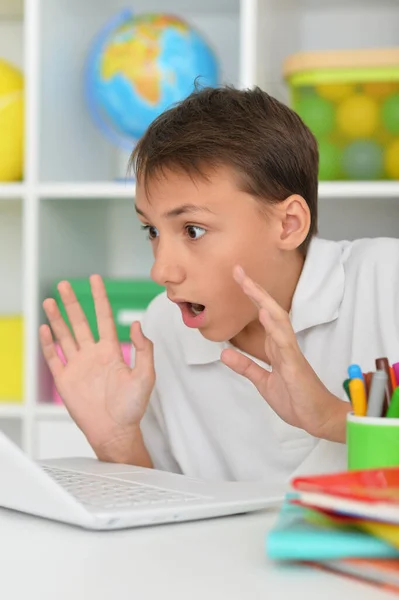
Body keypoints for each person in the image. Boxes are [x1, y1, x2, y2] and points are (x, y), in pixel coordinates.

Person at [39, 86, 399, 487]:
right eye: (152, 230)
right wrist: (118, 442)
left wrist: (331, 417)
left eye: (192, 230)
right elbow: (166, 516)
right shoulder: (164, 327)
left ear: (288, 224)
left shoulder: (387, 279)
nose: (161, 271)